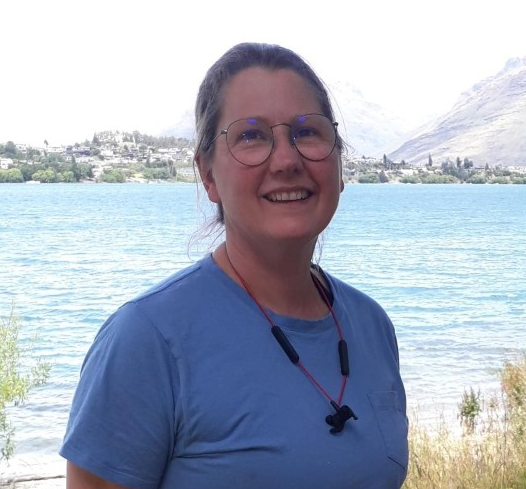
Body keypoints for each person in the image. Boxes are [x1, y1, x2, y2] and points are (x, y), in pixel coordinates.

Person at [60, 42, 408, 489]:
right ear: (208, 175)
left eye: (307, 132)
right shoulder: (147, 340)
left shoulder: (371, 325)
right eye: (251, 136)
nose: (287, 160)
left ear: (339, 163)